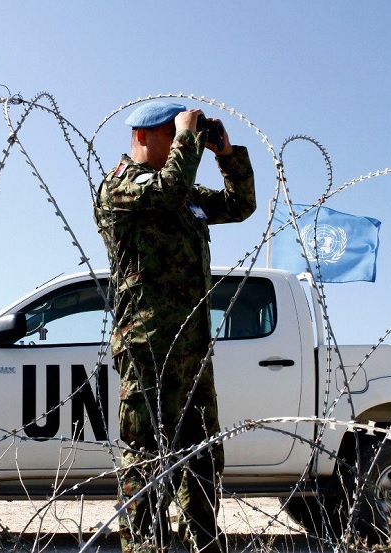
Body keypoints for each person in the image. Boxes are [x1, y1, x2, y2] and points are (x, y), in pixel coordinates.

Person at [94, 101, 255, 552]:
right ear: (142, 137)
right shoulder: (120, 188)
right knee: (148, 457)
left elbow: (240, 205)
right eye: (173, 135)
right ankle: (145, 547)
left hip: (192, 345)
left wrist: (224, 153)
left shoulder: (182, 191)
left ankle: (202, 541)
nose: (185, 145)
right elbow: (165, 191)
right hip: (148, 347)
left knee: (202, 454)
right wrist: (188, 136)